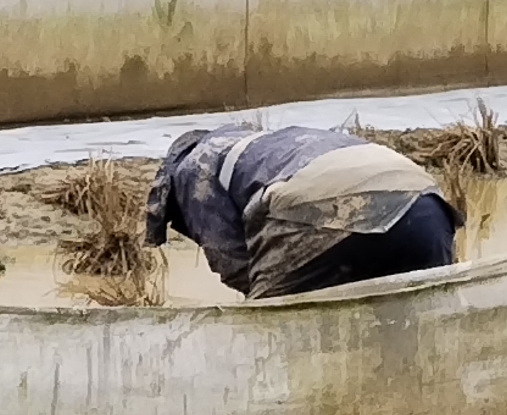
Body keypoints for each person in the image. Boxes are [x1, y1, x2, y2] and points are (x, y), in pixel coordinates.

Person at [147, 124, 458, 299]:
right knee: (430, 323)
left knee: (270, 328)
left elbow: (236, 264)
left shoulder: (192, 169)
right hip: (427, 204)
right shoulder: (277, 144)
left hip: (331, 205)